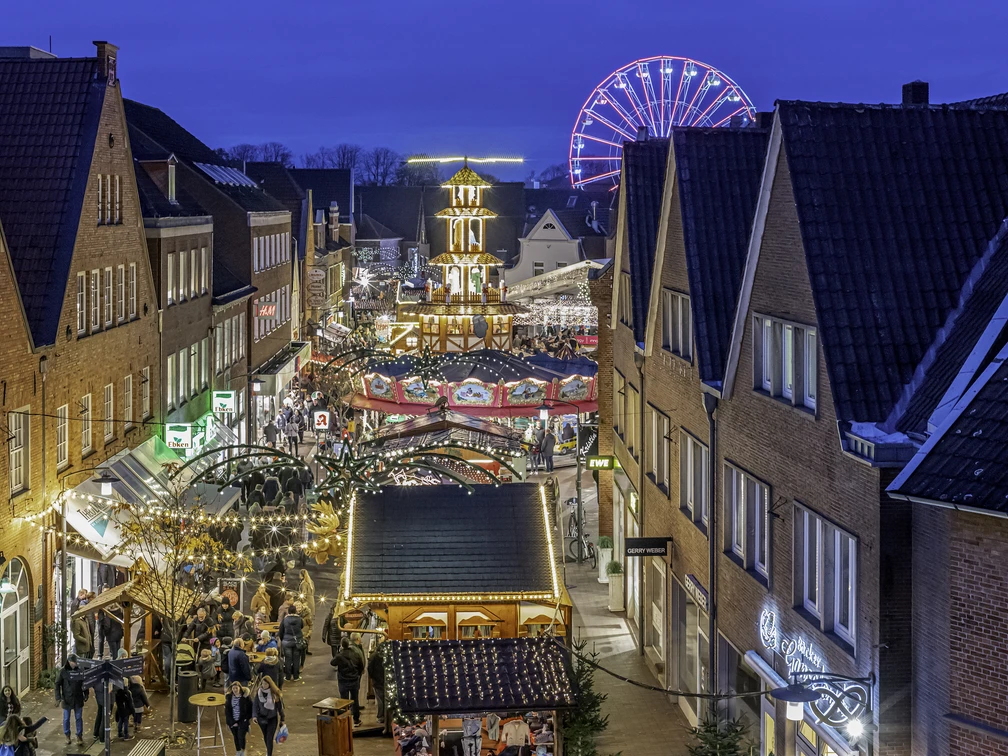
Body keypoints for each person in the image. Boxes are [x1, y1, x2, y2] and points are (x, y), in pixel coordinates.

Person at [54, 654, 86, 746]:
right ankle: (67, 735)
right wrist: (58, 697)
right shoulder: (63, 672)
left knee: (78, 718)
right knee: (66, 718)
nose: (75, 664)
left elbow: (84, 682)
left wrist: (86, 693)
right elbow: (57, 684)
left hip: (78, 698)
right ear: (69, 662)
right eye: (73, 662)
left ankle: (79, 736)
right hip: (66, 699)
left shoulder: (80, 671)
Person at [251, 677, 285, 756]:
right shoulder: (259, 693)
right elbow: (255, 705)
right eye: (262, 683)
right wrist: (255, 716)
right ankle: (268, 750)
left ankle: (269, 754)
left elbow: (280, 708)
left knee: (269, 737)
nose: (264, 685)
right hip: (261, 718)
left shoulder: (274, 694)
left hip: (272, 718)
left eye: (266, 684)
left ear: (270, 684)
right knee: (265, 736)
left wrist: (282, 718)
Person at [335, 636, 364, 726]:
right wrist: (357, 674)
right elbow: (360, 665)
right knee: (355, 699)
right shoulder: (355, 653)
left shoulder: (340, 655)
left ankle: (345, 721)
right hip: (354, 680)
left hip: (343, 681)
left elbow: (332, 662)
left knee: (344, 701)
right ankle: (356, 720)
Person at [225, 682, 253, 756]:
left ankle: (242, 750)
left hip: (242, 721)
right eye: (233, 688)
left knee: (241, 736)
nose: (235, 690)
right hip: (233, 721)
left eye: (236, 688)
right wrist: (231, 722)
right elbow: (227, 711)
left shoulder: (245, 697)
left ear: (240, 688)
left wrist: (246, 719)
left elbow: (251, 708)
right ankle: (238, 750)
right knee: (236, 736)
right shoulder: (229, 697)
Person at [279, 605, 304, 682]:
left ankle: (288, 677)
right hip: (297, 641)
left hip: (287, 642)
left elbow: (281, 631)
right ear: (295, 611)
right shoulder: (300, 619)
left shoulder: (285, 620)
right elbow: (302, 627)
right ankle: (296, 676)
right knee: (296, 659)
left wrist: (283, 639)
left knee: (288, 659)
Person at [368, 639, 387, 732]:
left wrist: (372, 677)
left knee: (379, 700)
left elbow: (369, 669)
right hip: (386, 681)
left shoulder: (373, 656)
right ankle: (387, 717)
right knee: (385, 700)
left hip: (377, 681)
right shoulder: (387, 656)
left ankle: (380, 717)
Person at [298, 570, 316, 656]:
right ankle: (307, 646)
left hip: (306, 604)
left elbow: (303, 595)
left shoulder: (303, 584)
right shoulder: (311, 582)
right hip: (312, 604)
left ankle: (304, 646)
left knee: (304, 626)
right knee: (310, 625)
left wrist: (300, 602)